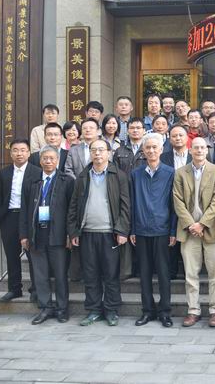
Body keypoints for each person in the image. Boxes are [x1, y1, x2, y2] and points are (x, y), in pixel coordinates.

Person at [67, 139, 130, 327]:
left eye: (101, 150)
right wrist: (73, 232)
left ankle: (111, 310)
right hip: (87, 232)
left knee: (111, 274)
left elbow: (125, 206)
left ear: (109, 153)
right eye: (94, 150)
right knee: (90, 274)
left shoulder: (119, 175)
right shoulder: (82, 176)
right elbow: (73, 206)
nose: (97, 153)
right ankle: (94, 310)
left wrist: (122, 230)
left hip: (110, 233)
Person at [19, 146, 75, 325]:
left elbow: (72, 210)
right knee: (40, 274)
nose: (48, 161)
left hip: (58, 235)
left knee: (60, 274)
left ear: (57, 160)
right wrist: (24, 235)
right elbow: (24, 209)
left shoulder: (67, 181)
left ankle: (62, 308)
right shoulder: (32, 181)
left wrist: (70, 234)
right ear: (40, 160)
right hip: (37, 234)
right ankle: (45, 307)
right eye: (45, 158)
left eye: (52, 158)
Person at [173, 137, 215, 328]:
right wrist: (191, 224)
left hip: (211, 230)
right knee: (190, 274)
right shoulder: (180, 172)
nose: (200, 150)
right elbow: (177, 201)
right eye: (196, 147)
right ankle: (193, 310)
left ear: (207, 150)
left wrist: (202, 224)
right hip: (188, 231)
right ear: (190, 150)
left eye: (203, 147)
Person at [130, 133, 177, 327]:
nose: (151, 150)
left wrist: (173, 230)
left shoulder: (170, 173)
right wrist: (132, 229)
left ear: (161, 149)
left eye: (154, 147)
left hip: (162, 229)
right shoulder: (136, 174)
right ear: (143, 150)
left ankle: (165, 311)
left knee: (164, 273)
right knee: (145, 273)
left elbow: (174, 205)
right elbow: (132, 203)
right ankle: (147, 310)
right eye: (147, 147)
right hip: (141, 230)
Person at [0, 139, 41, 301]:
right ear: (11, 153)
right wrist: (0, 216)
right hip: (9, 217)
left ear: (28, 152)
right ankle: (14, 289)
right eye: (15, 150)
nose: (19, 153)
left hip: (29, 217)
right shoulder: (4, 172)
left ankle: (36, 289)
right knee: (11, 254)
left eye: (22, 150)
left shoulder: (37, 172)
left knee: (32, 253)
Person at [160, 124, 192, 280]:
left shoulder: (195, 155)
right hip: (168, 202)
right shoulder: (163, 157)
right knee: (171, 237)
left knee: (189, 239)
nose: (178, 138)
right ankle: (171, 272)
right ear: (169, 138)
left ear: (187, 138)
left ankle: (188, 272)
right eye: (174, 136)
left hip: (190, 204)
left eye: (180, 135)